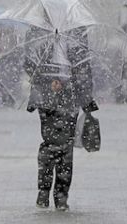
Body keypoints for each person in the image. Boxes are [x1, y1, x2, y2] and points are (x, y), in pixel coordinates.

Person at [23, 26, 97, 211]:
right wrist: (48, 81)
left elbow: (84, 68)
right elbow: (29, 65)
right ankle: (44, 189)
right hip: (46, 98)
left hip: (70, 99)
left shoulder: (78, 35)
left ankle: (61, 195)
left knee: (65, 147)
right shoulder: (39, 34)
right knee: (49, 143)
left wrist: (67, 83)